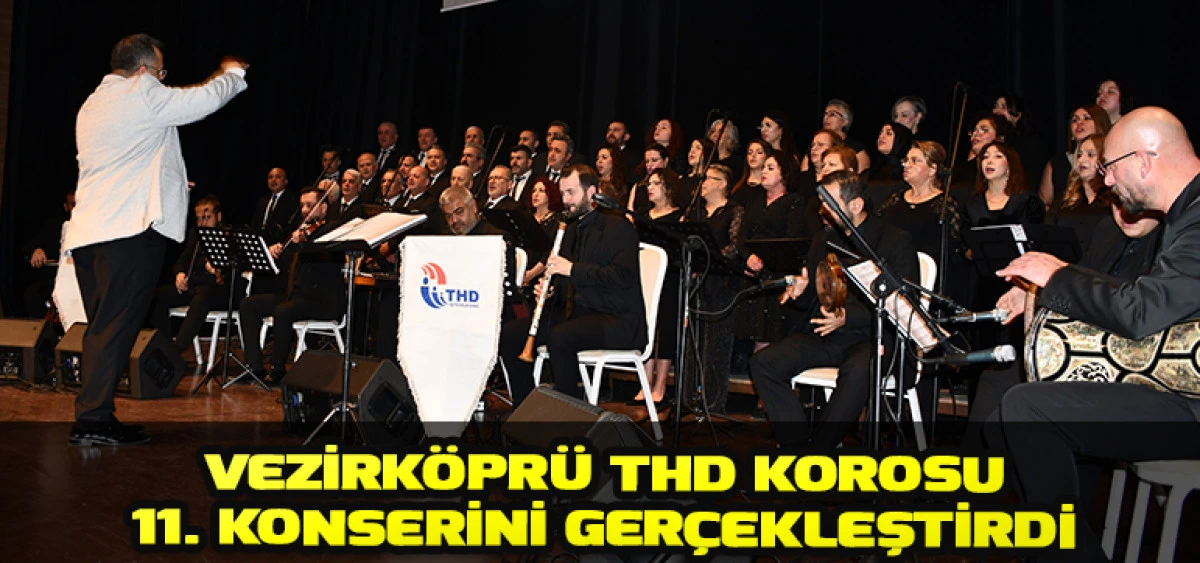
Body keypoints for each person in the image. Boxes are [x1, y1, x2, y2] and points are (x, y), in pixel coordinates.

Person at [995, 107, 1200, 562]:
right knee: (1027, 406)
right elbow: (1147, 299)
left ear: (1143, 160)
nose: (1106, 181)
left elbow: (1142, 311)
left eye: (1110, 167)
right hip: (1178, 391)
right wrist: (1048, 283)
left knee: (1029, 409)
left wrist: (1057, 275)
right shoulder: (1187, 214)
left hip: (1190, 404)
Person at [64, 34, 247, 446]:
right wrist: (232, 74)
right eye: (161, 73)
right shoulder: (141, 91)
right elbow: (201, 101)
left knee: (103, 328)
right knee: (116, 328)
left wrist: (172, 181)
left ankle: (95, 414)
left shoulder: (93, 104)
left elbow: (126, 159)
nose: (162, 80)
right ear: (145, 70)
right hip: (127, 233)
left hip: (91, 234)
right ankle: (92, 421)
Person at [751, 170, 919, 448]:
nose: (822, 210)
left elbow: (903, 304)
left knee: (859, 370)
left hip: (871, 337)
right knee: (764, 363)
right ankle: (796, 444)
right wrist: (800, 292)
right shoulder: (824, 239)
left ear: (856, 205)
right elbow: (812, 299)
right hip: (827, 334)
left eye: (830, 203)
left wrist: (847, 318)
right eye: (822, 203)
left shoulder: (893, 239)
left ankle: (821, 448)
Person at [498, 164, 647, 406]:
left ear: (591, 192)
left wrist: (572, 269)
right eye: (563, 193)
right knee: (510, 334)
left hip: (618, 318)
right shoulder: (570, 228)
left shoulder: (619, 226)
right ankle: (525, 407)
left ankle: (567, 413)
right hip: (577, 314)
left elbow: (622, 276)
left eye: (571, 192)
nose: (566, 200)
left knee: (561, 337)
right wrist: (550, 291)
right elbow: (567, 284)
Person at [239, 186, 344, 384]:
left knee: (283, 311)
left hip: (320, 300)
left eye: (310, 206)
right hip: (294, 296)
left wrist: (303, 242)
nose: (304, 210)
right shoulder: (300, 232)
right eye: (302, 206)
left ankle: (278, 369)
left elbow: (323, 253)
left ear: (323, 208)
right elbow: (288, 267)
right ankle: (254, 367)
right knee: (248, 304)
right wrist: (276, 253)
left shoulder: (333, 229)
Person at [680, 164, 745, 413]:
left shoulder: (733, 210)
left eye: (709, 178)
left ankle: (713, 403)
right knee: (693, 340)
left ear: (723, 183)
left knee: (716, 342)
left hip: (722, 282)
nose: (703, 183)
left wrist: (710, 259)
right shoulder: (695, 211)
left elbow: (736, 245)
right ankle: (688, 399)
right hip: (696, 281)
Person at [148, 196, 246, 355]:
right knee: (160, 295)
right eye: (199, 218)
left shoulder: (229, 236)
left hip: (219, 291)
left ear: (218, 216)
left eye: (207, 218)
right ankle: (164, 346)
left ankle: (176, 350)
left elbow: (238, 269)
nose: (202, 223)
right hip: (195, 287)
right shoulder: (195, 235)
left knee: (200, 299)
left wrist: (219, 269)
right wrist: (180, 274)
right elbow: (182, 261)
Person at [632, 169, 683, 409]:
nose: (650, 188)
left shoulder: (679, 216)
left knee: (665, 329)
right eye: (649, 183)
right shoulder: (642, 216)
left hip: (669, 278)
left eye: (656, 184)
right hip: (645, 278)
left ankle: (660, 384)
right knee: (646, 329)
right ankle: (645, 382)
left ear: (668, 188)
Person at [1038, 104, 1112, 206]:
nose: (1079, 123)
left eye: (1086, 118)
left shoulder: (1112, 157)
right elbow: (1044, 203)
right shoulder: (1058, 163)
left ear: (1101, 124)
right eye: (1075, 120)